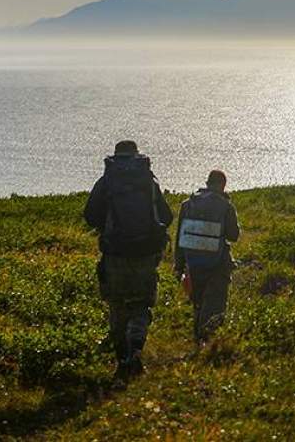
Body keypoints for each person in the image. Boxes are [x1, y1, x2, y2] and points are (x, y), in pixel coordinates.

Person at [84, 140, 173, 379]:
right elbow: (167, 216)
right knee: (141, 305)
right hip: (145, 255)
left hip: (114, 255)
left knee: (117, 306)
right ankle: (135, 349)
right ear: (136, 155)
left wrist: (109, 224)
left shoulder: (107, 181)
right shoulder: (149, 181)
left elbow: (90, 215)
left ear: (115, 156)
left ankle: (122, 360)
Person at [175, 170, 241, 345]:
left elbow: (180, 238)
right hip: (218, 263)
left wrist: (179, 265)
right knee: (215, 304)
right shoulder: (226, 206)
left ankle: (198, 339)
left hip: (193, 263)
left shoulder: (187, 204)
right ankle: (208, 343)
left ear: (207, 183)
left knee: (198, 303)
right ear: (223, 185)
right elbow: (233, 236)